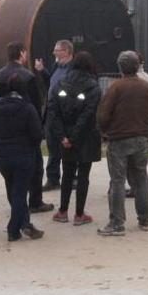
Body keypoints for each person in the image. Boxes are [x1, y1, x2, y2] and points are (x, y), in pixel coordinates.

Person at [96, 50, 148, 236]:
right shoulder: (146, 87)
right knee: (141, 178)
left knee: (117, 181)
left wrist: (106, 130)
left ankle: (117, 223)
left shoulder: (115, 87)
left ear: (120, 67)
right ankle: (145, 219)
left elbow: (103, 115)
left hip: (119, 139)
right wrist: (143, 123)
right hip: (140, 137)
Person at [0, 75, 45, 242]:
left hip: (3, 156)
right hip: (23, 155)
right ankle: (13, 229)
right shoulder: (27, 108)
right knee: (20, 192)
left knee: (12, 190)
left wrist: (0, 144)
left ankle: (25, 223)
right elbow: (37, 133)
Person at [0, 42, 53, 213]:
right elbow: (36, 105)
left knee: (10, 173)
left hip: (5, 128)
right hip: (26, 127)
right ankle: (35, 202)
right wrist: (39, 129)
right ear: (21, 53)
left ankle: (15, 203)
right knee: (35, 166)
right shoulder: (28, 76)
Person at [49, 51, 101, 226]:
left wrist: (63, 136)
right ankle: (79, 214)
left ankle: (62, 211)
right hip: (86, 136)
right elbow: (88, 114)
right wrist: (74, 136)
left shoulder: (60, 84)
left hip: (65, 136)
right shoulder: (94, 87)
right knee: (83, 175)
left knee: (67, 173)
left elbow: (53, 111)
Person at [34, 39, 74, 192]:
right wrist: (42, 70)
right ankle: (53, 178)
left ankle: (71, 178)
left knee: (67, 147)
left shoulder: (73, 70)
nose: (54, 52)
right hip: (51, 112)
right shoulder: (57, 66)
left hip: (65, 113)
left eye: (57, 50)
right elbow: (49, 82)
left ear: (66, 51)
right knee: (52, 146)